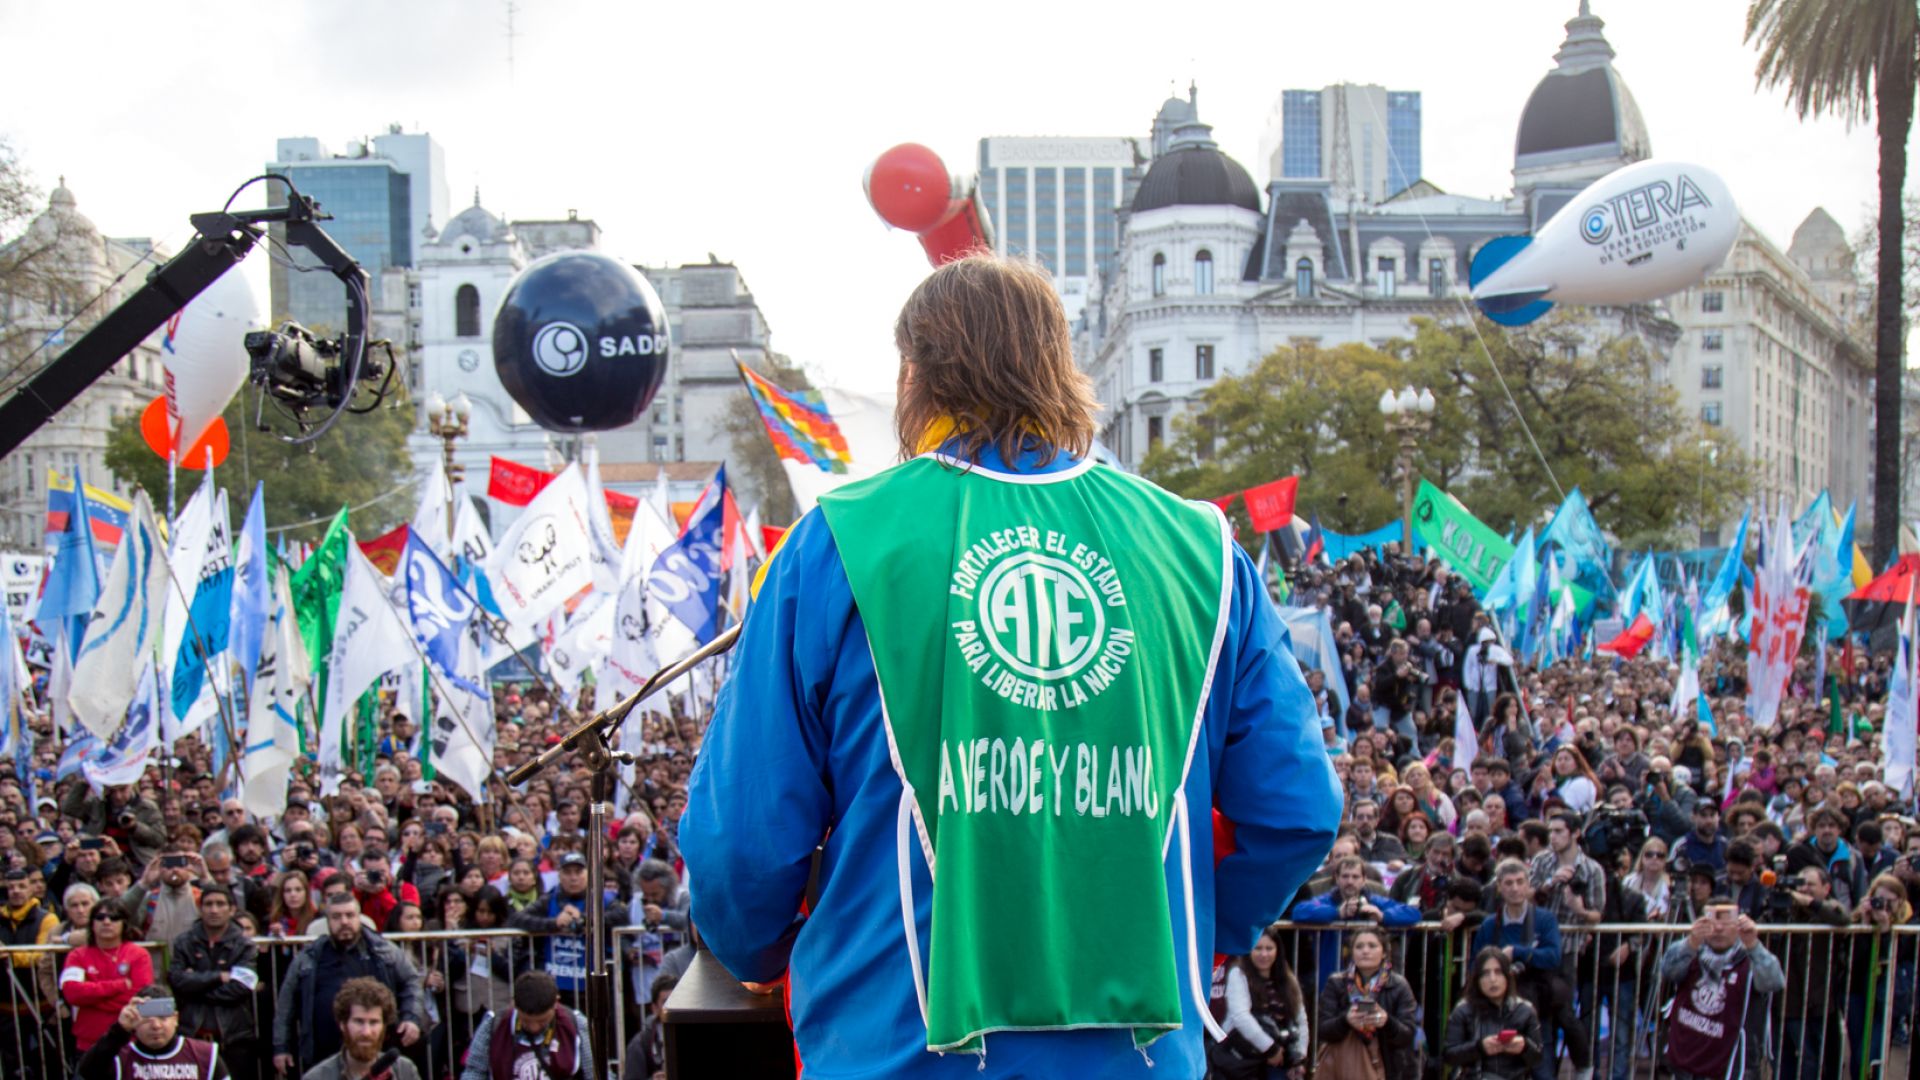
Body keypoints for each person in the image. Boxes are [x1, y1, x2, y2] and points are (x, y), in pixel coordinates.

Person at [679, 254, 1341, 1076]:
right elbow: (1299, 809)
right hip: (1139, 1053)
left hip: (895, 1047)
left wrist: (761, 952)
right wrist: (1198, 930)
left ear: (916, 377)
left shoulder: (838, 542)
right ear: (1061, 367)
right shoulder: (1203, 550)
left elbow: (741, 845)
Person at [273, 892, 425, 1073]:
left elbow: (412, 982)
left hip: (375, 1053)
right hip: (322, 1056)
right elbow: (285, 1005)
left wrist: (412, 1017)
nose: (344, 921)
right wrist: (281, 1047)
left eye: (350, 915)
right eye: (336, 916)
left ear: (359, 917)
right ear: (327, 921)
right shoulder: (309, 957)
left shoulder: (384, 951)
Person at [1470, 860, 1576, 1080]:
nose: (1515, 888)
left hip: (1537, 1002)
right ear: (1499, 887)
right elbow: (1476, 964)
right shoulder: (1490, 924)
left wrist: (1517, 952)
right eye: (1508, 883)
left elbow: (1553, 956)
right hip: (1497, 1005)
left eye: (1520, 882)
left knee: (1542, 1064)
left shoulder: (1545, 919)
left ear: (1529, 884)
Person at [1657, 900, 1784, 1080]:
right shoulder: (1691, 950)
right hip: (1686, 1057)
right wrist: (1690, 942)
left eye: (1726, 922)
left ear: (1739, 923)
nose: (1718, 929)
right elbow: (1668, 971)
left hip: (1729, 1065)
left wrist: (1753, 944)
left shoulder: (1750, 958)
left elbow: (1774, 982)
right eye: (1712, 921)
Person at [506, 850, 629, 1009]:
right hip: (557, 983)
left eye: (578, 872)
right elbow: (517, 919)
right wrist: (553, 924)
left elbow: (621, 915)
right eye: (568, 872)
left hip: (594, 983)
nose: (573, 877)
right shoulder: (549, 899)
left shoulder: (603, 898)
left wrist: (587, 921)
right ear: (559, 875)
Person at [169, 885, 260, 1080]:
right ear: (200, 909)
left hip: (233, 1037)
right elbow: (177, 981)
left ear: (232, 909)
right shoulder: (183, 942)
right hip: (192, 1035)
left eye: (220, 904)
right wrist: (219, 977)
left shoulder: (245, 945)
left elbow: (240, 988)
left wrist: (195, 985)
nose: (214, 910)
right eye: (208, 904)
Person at [1314, 928, 1421, 1079]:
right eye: (1359, 946)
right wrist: (1346, 1021)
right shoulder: (1336, 983)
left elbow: (1408, 1034)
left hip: (1389, 1067)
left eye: (1372, 946)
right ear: (1352, 952)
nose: (1365, 951)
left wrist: (1386, 1021)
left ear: (1384, 952)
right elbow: (1323, 1029)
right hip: (1345, 1066)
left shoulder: (1399, 985)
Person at [1773, 864, 1847, 1080]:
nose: (1803, 889)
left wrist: (1809, 902)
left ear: (1826, 888)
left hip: (1819, 1002)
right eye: (1799, 884)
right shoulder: (1785, 909)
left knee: (1816, 1061)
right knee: (1786, 1061)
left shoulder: (1828, 909)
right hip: (1787, 1001)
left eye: (1810, 884)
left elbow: (1842, 917)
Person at [1208, 926, 1307, 1079]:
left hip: (1279, 1061)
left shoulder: (1288, 979)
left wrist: (1299, 1056)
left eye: (1269, 948)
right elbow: (1240, 1017)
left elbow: (1300, 1019)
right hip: (1244, 1061)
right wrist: (1271, 1049)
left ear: (1277, 950)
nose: (1264, 954)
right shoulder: (1238, 973)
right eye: (1258, 948)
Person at [1842, 872, 1915, 1080]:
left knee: (1874, 1051)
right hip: (1857, 992)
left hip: (1887, 994)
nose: (1882, 905)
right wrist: (1865, 926)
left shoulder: (1907, 924)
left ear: (1900, 900)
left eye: (1889, 901)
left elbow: (1897, 956)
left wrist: (1884, 931)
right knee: (1858, 1051)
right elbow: (1853, 960)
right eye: (1878, 899)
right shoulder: (1857, 920)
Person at [459, 971, 593, 1080]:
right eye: (526, 1021)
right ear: (514, 1004)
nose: (534, 1027)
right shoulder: (493, 1024)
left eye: (542, 1021)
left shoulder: (576, 1024)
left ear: (555, 1003)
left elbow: (596, 1073)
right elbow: (474, 1071)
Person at [61, 899, 154, 1052]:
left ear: (124, 923)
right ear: (92, 923)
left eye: (114, 917)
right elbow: (73, 994)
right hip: (89, 1042)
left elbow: (139, 999)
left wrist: (91, 999)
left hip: (129, 1041)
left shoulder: (139, 955)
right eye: (100, 917)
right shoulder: (76, 955)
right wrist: (119, 985)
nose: (106, 921)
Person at [75, 990, 231, 1080]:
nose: (156, 1026)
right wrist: (120, 1030)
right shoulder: (119, 1057)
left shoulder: (205, 1055)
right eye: (147, 1019)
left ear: (175, 1019)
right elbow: (86, 1072)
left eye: (163, 1018)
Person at [1442, 947, 1543, 1079]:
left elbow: (1538, 1058)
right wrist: (1479, 1048)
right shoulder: (1463, 1010)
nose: (1492, 979)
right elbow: (1449, 1055)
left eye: (1498, 972)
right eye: (1485, 973)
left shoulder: (1525, 1010)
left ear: (1507, 976)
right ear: (1477, 979)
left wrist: (1524, 1046)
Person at [302, 977, 421, 1080]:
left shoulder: (405, 1070)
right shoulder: (317, 1077)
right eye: (359, 1022)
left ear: (384, 1026)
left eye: (374, 1022)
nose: (366, 1032)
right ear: (343, 1024)